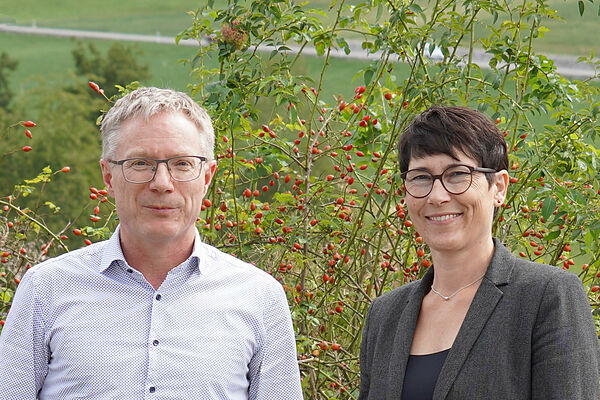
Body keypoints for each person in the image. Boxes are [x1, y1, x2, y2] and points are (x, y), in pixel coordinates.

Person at [0, 87, 303, 399]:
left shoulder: (259, 298)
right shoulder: (45, 290)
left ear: (207, 177)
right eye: (140, 163)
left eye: (182, 164)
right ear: (108, 176)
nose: (161, 183)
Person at [358, 106, 599, 399]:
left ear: (499, 187)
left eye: (457, 174)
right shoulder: (385, 315)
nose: (437, 196)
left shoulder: (547, 297)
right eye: (420, 177)